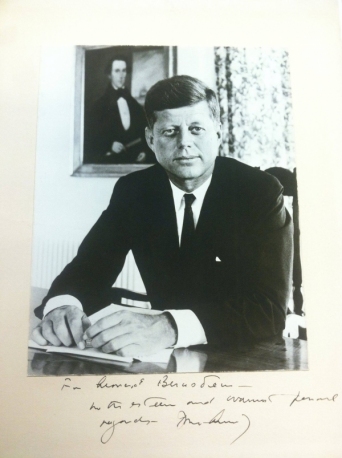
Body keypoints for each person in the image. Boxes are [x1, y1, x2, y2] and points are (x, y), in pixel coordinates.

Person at [32, 75, 293, 357]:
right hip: (161, 357)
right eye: (170, 131)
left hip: (246, 351)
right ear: (150, 138)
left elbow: (269, 310)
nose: (184, 143)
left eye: (196, 129)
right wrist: (63, 305)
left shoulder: (258, 191)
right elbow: (90, 266)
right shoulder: (134, 191)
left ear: (218, 132)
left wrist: (168, 326)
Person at [83, 56, 155, 164]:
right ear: (109, 75)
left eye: (124, 71)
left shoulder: (135, 105)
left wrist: (144, 151)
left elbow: (145, 131)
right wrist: (109, 145)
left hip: (134, 163)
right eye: (117, 71)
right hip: (110, 162)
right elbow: (90, 137)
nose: (121, 75)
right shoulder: (98, 106)